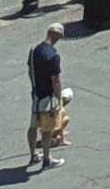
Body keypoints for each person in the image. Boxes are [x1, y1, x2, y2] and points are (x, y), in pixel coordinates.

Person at [25, 22, 68, 171]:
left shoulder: (35, 50)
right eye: (60, 36)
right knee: (47, 130)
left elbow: (30, 71)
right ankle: (47, 159)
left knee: (33, 126)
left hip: (36, 96)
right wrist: (59, 98)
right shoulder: (53, 56)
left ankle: (33, 156)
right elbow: (56, 81)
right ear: (57, 35)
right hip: (47, 99)